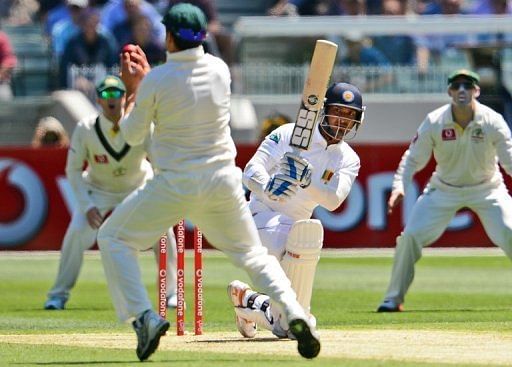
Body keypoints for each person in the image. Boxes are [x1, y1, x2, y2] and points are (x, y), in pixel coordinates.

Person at [96, 3, 320, 362]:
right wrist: (149, 83)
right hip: (222, 183)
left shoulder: (156, 82)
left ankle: (143, 319)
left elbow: (130, 136)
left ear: (168, 36)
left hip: (173, 184)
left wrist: (133, 89)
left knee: (112, 238)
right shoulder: (219, 70)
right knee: (252, 256)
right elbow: (180, 88)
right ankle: (295, 312)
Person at [227, 82, 364, 339]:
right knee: (302, 234)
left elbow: (334, 200)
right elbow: (250, 171)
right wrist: (268, 187)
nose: (343, 120)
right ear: (324, 111)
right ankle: (296, 314)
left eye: (350, 115)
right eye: (338, 112)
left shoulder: (348, 158)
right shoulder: (289, 134)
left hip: (297, 231)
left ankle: (251, 303)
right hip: (260, 218)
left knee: (287, 327)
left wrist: (306, 180)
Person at [377, 69, 512, 312]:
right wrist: (399, 186)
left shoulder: (493, 121)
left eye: (468, 86)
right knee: (410, 237)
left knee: (510, 232)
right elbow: (412, 159)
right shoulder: (434, 121)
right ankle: (392, 299)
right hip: (444, 189)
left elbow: (509, 161)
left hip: (487, 188)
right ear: (449, 91)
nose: (462, 90)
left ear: (476, 91)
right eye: (457, 86)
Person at [44, 75, 178, 310]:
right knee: (76, 233)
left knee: (164, 231)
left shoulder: (142, 126)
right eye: (106, 94)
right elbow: (73, 170)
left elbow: (159, 163)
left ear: (125, 98)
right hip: (98, 189)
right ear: (98, 100)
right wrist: (86, 206)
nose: (111, 99)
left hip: (138, 186)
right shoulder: (86, 129)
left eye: (116, 94)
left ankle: (171, 294)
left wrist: (159, 195)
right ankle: (58, 295)